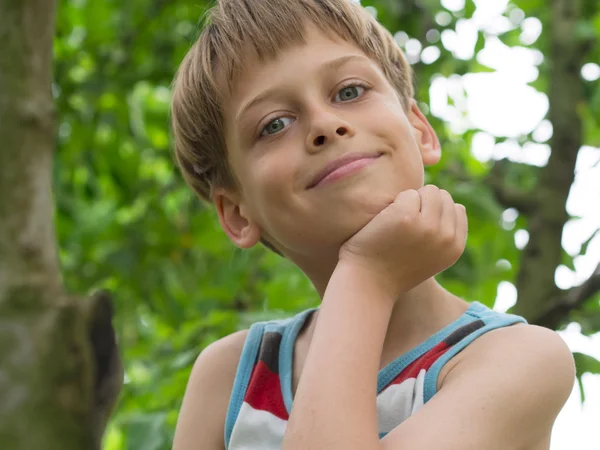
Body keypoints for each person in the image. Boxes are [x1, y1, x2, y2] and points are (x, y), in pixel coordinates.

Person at [170, 1, 575, 449]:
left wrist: (367, 275)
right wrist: (367, 277)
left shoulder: (515, 358)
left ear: (419, 130)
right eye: (274, 124)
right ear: (237, 213)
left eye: (349, 92)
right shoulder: (229, 380)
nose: (325, 125)